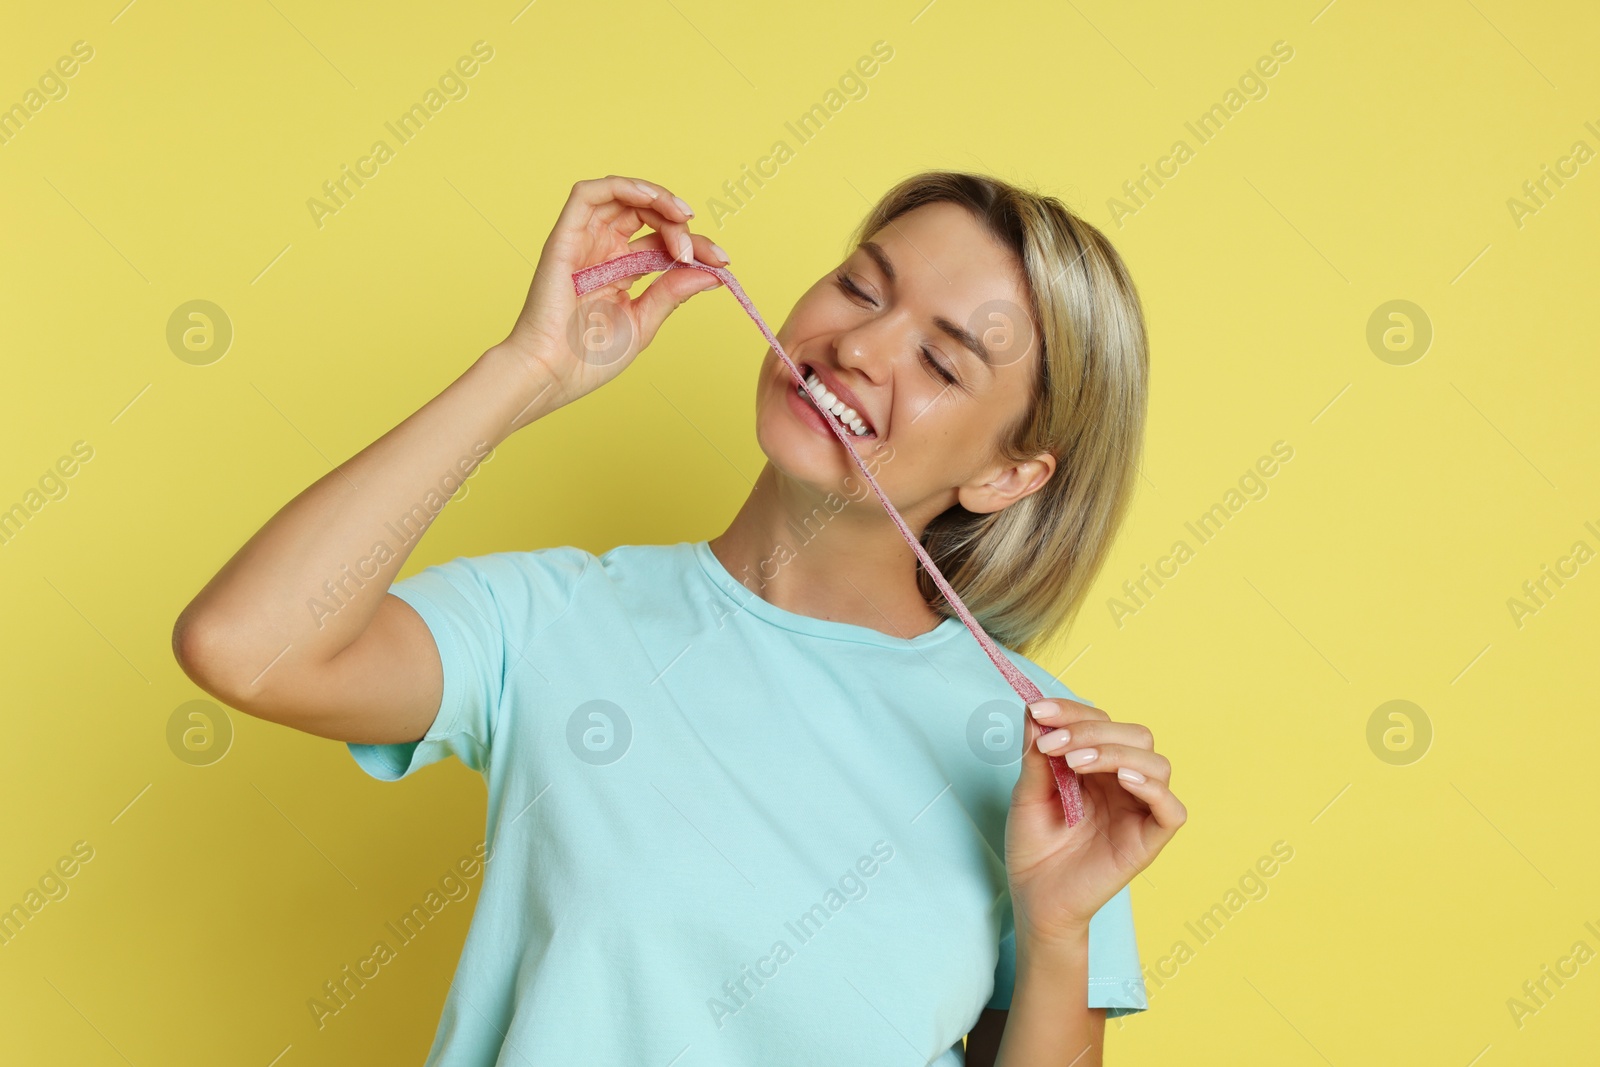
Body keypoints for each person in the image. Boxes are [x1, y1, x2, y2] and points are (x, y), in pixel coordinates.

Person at [172, 170, 1186, 1066]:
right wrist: (524, 369)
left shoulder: (1047, 761)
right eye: (858, 286)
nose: (860, 345)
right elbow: (246, 647)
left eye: (943, 360)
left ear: (1009, 474)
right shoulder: (556, 618)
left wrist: (1058, 930)